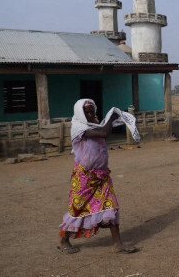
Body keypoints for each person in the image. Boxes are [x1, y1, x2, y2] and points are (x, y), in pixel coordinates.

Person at [57, 99, 138, 254]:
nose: (89, 114)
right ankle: (63, 239)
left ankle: (118, 244)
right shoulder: (78, 128)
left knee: (111, 206)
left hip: (102, 176)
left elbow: (103, 130)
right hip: (84, 177)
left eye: (92, 111)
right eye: (86, 112)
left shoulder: (94, 126)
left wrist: (115, 119)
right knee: (78, 209)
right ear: (79, 113)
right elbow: (104, 133)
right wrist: (113, 116)